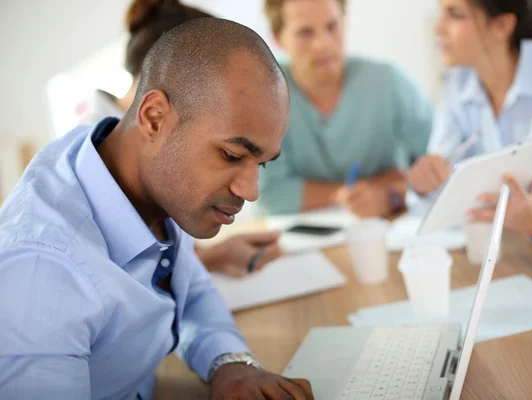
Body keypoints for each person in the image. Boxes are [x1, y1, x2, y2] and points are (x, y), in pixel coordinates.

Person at [0, 18, 313, 400]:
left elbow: (191, 290)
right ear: (154, 118)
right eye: (232, 155)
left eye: (260, 163)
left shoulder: (127, 164)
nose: (250, 191)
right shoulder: (42, 275)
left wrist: (229, 364)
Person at [76, 0, 282, 277]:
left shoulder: (164, 167)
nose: (250, 192)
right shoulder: (96, 171)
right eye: (230, 155)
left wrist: (209, 258)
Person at [407, 0, 532, 246]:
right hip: (512, 254)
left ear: (501, 25)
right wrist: (425, 184)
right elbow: (442, 202)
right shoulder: (457, 85)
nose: (437, 28)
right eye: (440, 12)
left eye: (454, 14)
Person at [258, 0, 434, 217]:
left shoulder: (388, 82)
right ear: (277, 38)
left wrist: (391, 195)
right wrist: (373, 187)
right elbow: (270, 194)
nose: (323, 44)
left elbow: (441, 161)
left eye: (332, 27)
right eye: (305, 33)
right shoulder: (265, 97)